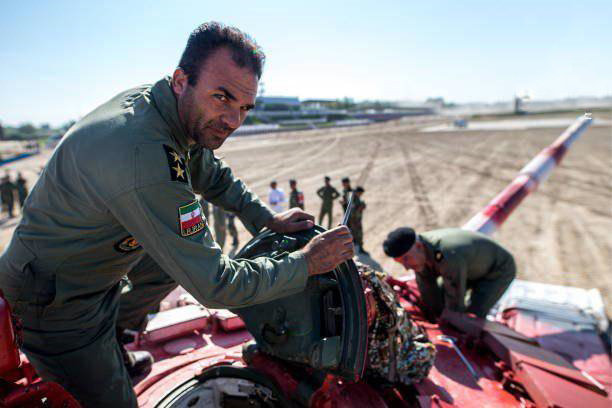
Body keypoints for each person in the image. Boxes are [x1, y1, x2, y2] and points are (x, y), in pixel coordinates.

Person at [0, 22, 355, 408]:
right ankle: (98, 350)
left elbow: (210, 172)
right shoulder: (143, 155)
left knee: (168, 263)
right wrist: (306, 262)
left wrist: (265, 218)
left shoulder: (169, 108)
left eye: (244, 107)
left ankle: (112, 334)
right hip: (54, 302)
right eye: (222, 98)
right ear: (182, 80)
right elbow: (216, 285)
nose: (233, 120)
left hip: (89, 264)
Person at [382, 227, 516, 320]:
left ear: (418, 246)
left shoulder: (446, 254)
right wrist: (432, 316)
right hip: (469, 268)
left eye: (406, 259)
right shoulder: (420, 254)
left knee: (472, 316)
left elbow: (455, 300)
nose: (406, 267)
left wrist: (450, 324)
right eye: (401, 262)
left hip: (497, 270)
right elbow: (427, 290)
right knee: (440, 300)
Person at [348, 186, 367, 254]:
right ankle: (360, 248)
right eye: (360, 193)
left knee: (355, 235)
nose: (361, 194)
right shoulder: (353, 199)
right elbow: (353, 211)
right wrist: (360, 207)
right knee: (359, 235)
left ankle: (356, 248)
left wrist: (362, 206)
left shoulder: (356, 199)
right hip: (355, 221)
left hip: (356, 220)